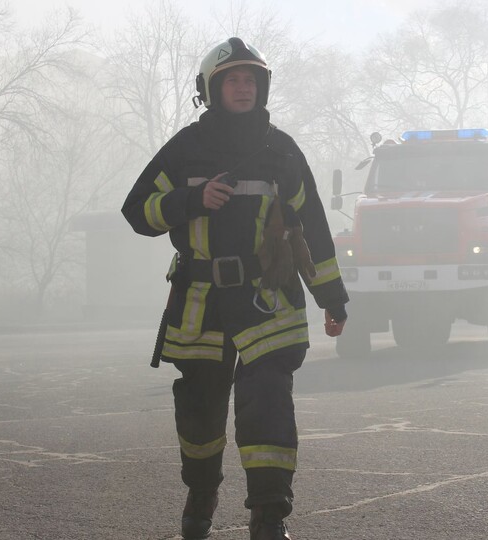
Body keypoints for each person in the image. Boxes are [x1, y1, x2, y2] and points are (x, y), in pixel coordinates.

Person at [121, 37, 349, 540]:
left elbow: (312, 224)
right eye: (233, 80)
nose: (243, 88)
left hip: (267, 296)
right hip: (200, 300)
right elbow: (136, 210)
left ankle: (269, 516)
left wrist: (332, 298)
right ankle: (201, 494)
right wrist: (190, 199)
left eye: (251, 80)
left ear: (261, 88)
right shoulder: (185, 148)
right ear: (211, 89)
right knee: (200, 410)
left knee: (267, 399)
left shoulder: (281, 149)